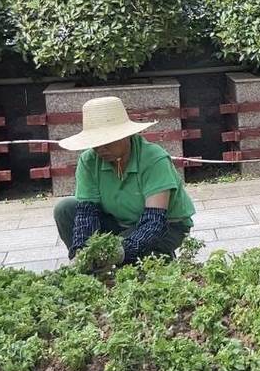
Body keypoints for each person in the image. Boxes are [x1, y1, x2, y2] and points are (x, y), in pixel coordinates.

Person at [53, 96, 195, 265]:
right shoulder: (89, 160)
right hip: (119, 222)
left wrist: (119, 252)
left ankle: (159, 256)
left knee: (119, 255)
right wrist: (82, 253)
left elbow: (155, 221)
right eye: (95, 143)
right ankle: (94, 268)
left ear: (126, 135)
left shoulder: (154, 159)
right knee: (66, 208)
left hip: (166, 226)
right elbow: (87, 213)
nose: (100, 148)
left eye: (107, 141)